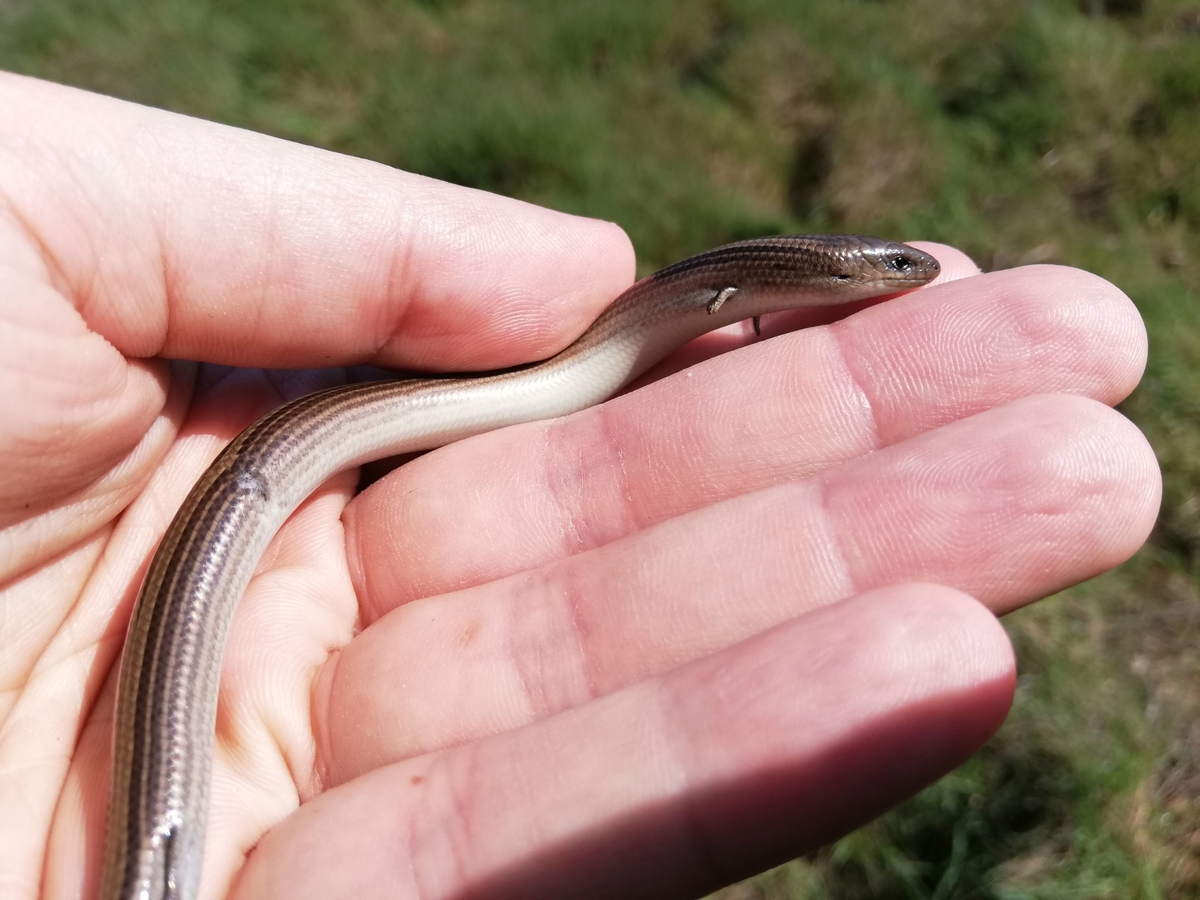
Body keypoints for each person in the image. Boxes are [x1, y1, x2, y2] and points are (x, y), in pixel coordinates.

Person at [0, 71, 1159, 900]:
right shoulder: (725, 287)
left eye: (905, 267)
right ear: (809, 277)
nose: (906, 279)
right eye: (893, 266)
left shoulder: (720, 295)